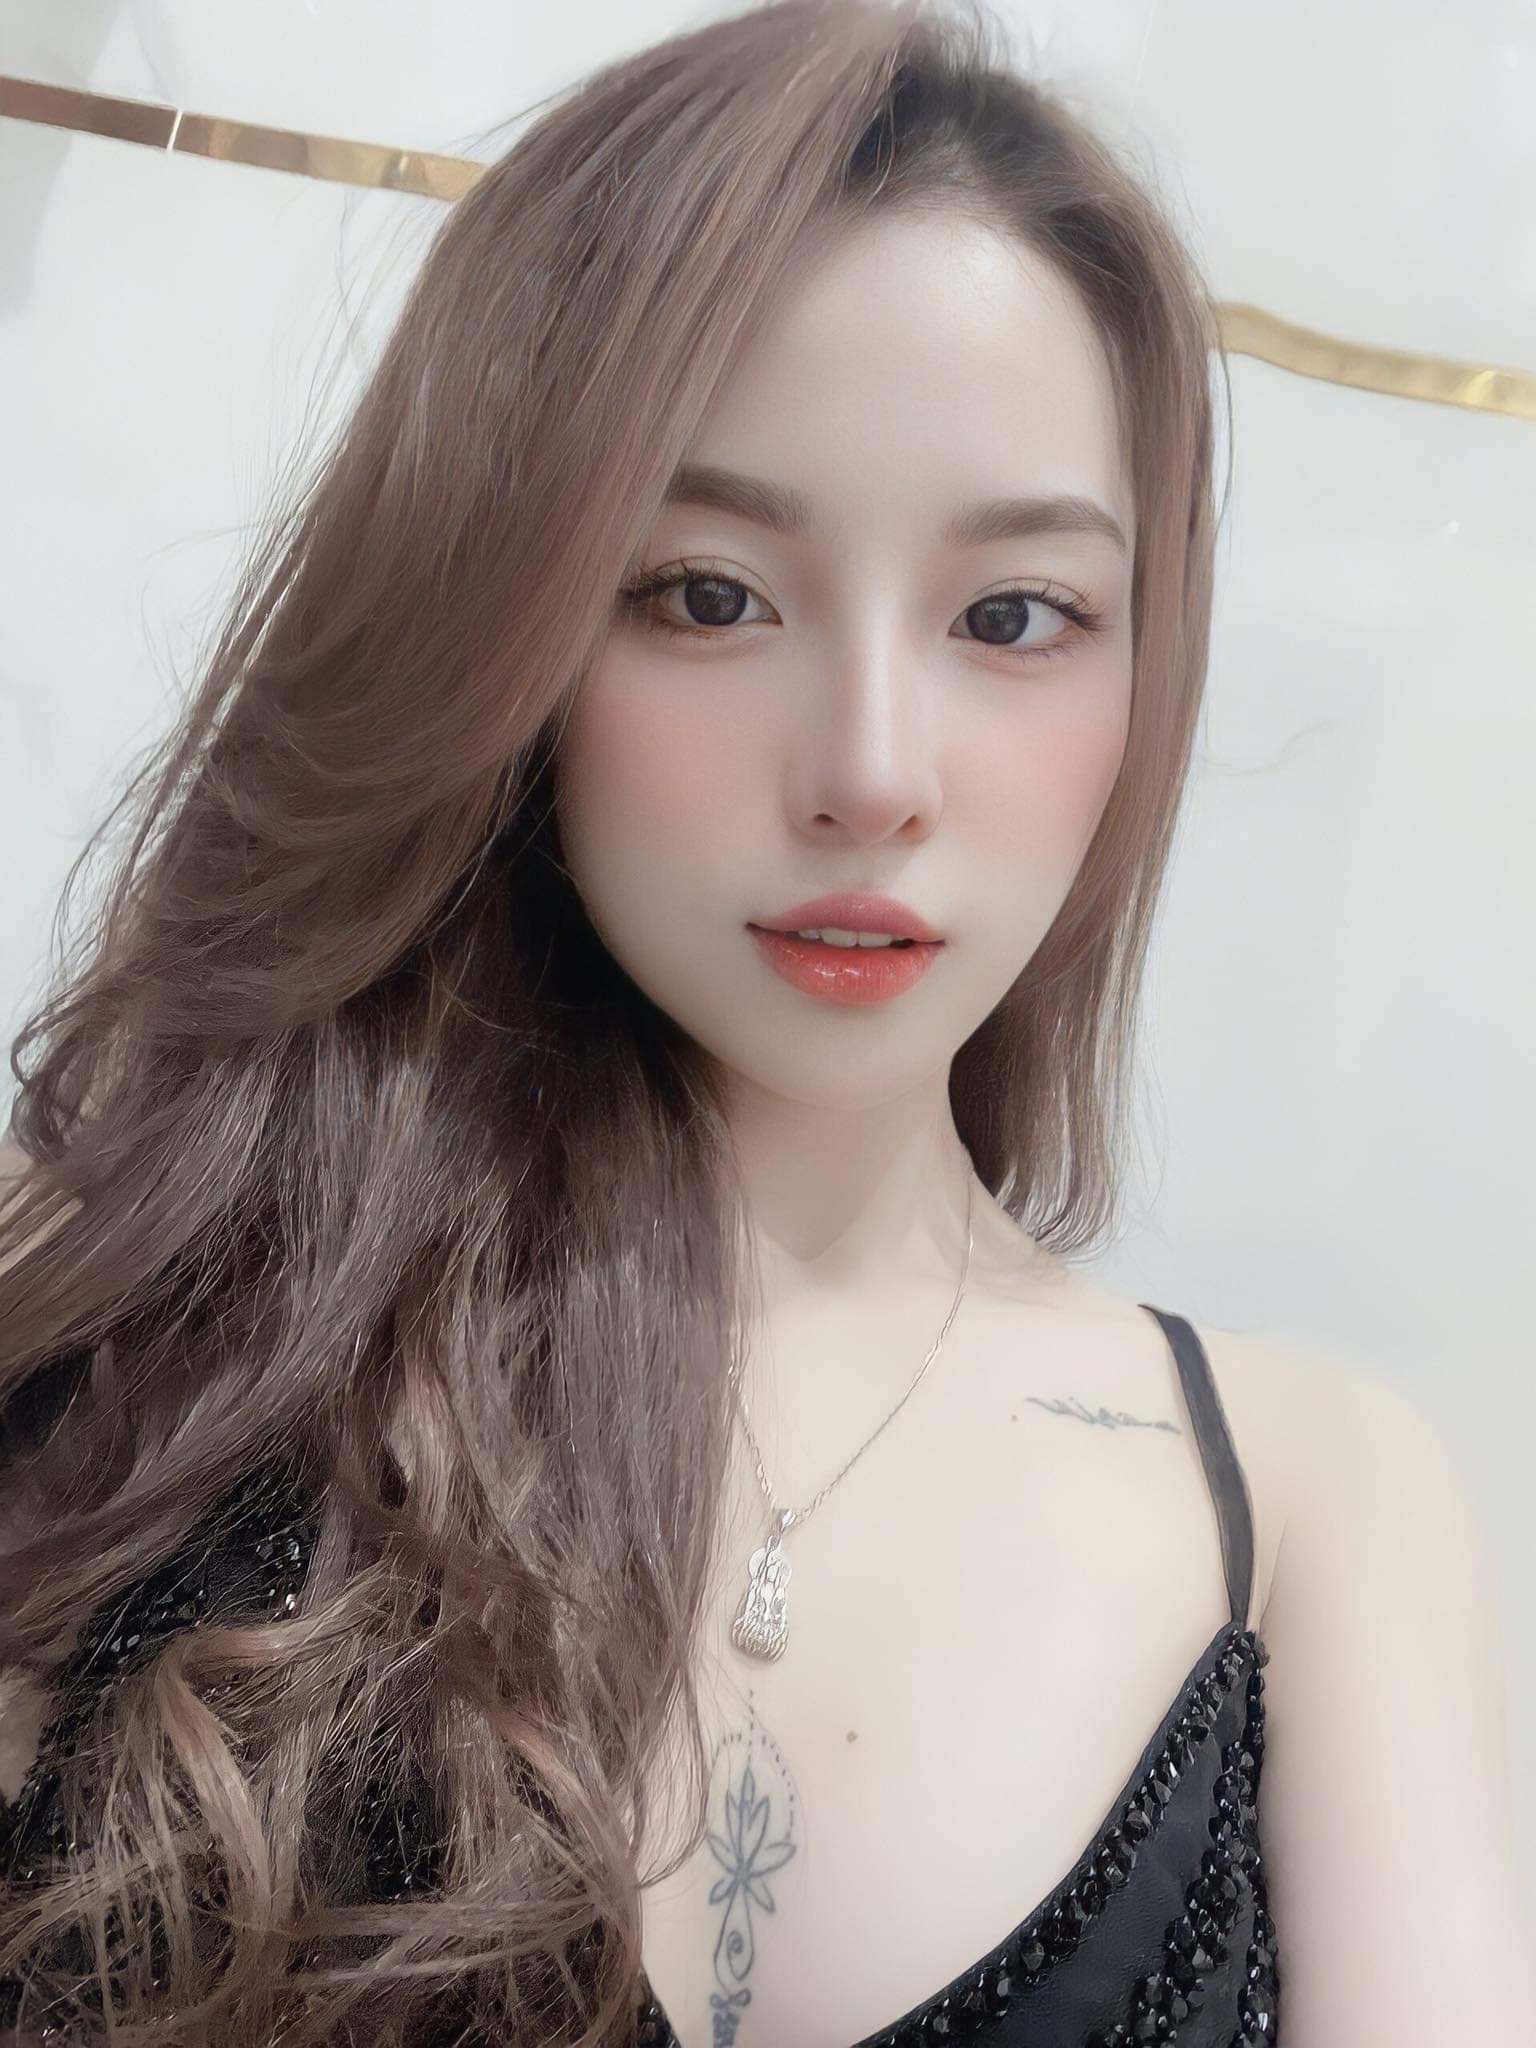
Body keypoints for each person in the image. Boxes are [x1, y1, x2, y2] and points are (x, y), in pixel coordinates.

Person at [1, 0, 1531, 2042]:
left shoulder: (1314, 1515)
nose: (871, 772)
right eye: (710, 594)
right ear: (507, 623)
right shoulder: (126, 1328)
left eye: (1013, 616)